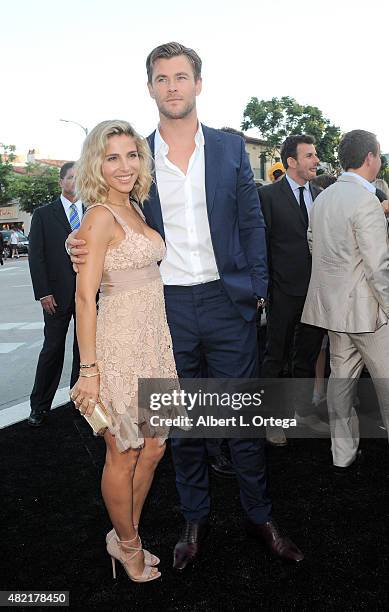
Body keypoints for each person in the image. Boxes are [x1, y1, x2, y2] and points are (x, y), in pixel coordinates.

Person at [68, 42, 304, 569]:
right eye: (161, 78)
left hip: (228, 303)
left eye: (181, 76)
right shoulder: (137, 157)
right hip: (165, 312)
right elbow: (108, 217)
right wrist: (76, 242)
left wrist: (258, 288)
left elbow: (250, 222)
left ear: (198, 84)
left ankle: (259, 516)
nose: (172, 86)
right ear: (150, 88)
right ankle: (193, 521)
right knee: (182, 431)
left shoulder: (226, 148)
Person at [71, 119, 188, 583]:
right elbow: (85, 297)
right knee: (122, 450)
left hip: (154, 344)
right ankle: (128, 545)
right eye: (112, 156)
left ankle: (125, 535)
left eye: (132, 154)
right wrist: (90, 369)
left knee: (156, 446)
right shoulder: (100, 215)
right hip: (118, 347)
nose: (124, 165)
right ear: (96, 163)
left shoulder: (135, 208)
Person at [302, 129, 389, 470]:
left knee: (340, 383)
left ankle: (342, 454)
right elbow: (378, 267)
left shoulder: (323, 197)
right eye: (379, 154)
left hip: (334, 311)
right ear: (370, 158)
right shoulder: (365, 201)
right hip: (369, 314)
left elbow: (313, 245)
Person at [258, 135, 328, 446]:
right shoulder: (268, 197)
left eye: (315, 155)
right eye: (310, 156)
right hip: (282, 291)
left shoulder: (321, 194)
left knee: (308, 355)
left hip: (317, 291)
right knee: (276, 357)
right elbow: (262, 247)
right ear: (291, 162)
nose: (316, 161)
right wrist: (265, 290)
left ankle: (303, 413)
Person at [28, 162, 82, 426]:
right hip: (56, 295)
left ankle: (80, 402)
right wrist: (43, 292)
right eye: (71, 178)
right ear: (61, 181)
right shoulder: (43, 214)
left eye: (79, 177)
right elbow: (36, 257)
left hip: (89, 294)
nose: (76, 182)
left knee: (84, 350)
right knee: (52, 349)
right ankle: (39, 406)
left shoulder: (94, 211)